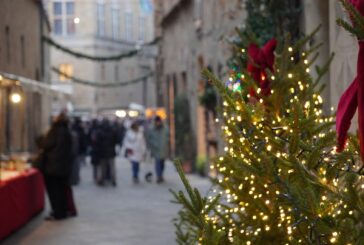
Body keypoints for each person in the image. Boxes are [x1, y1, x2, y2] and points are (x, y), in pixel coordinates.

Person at [42, 112, 76, 220]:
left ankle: (58, 212)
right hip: (64, 167)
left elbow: (46, 145)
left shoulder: (55, 131)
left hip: (53, 167)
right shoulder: (67, 131)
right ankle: (63, 211)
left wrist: (40, 139)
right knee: (61, 190)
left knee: (54, 191)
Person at [146, 116, 169, 183]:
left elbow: (167, 136)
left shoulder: (165, 129)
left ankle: (161, 174)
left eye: (159, 122)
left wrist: (166, 143)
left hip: (163, 149)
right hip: (155, 149)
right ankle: (159, 176)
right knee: (157, 163)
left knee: (162, 163)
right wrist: (152, 144)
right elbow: (149, 138)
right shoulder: (151, 129)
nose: (158, 123)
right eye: (157, 122)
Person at [97, 119, 118, 186]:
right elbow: (116, 140)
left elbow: (98, 142)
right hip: (111, 151)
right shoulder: (113, 131)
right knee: (112, 167)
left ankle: (102, 179)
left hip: (102, 152)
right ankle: (113, 180)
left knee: (103, 167)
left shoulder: (100, 132)